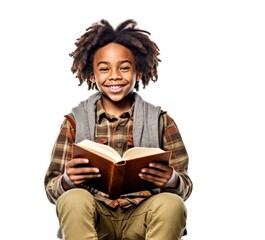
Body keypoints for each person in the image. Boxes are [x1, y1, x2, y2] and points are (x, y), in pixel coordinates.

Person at [44, 19, 193, 240]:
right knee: (72, 198)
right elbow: (51, 187)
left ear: (139, 72)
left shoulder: (162, 121)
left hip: (141, 217)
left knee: (172, 203)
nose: (114, 75)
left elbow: (185, 185)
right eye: (104, 69)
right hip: (96, 217)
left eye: (124, 67)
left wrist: (172, 180)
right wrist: (67, 180)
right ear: (92, 76)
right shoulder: (73, 122)